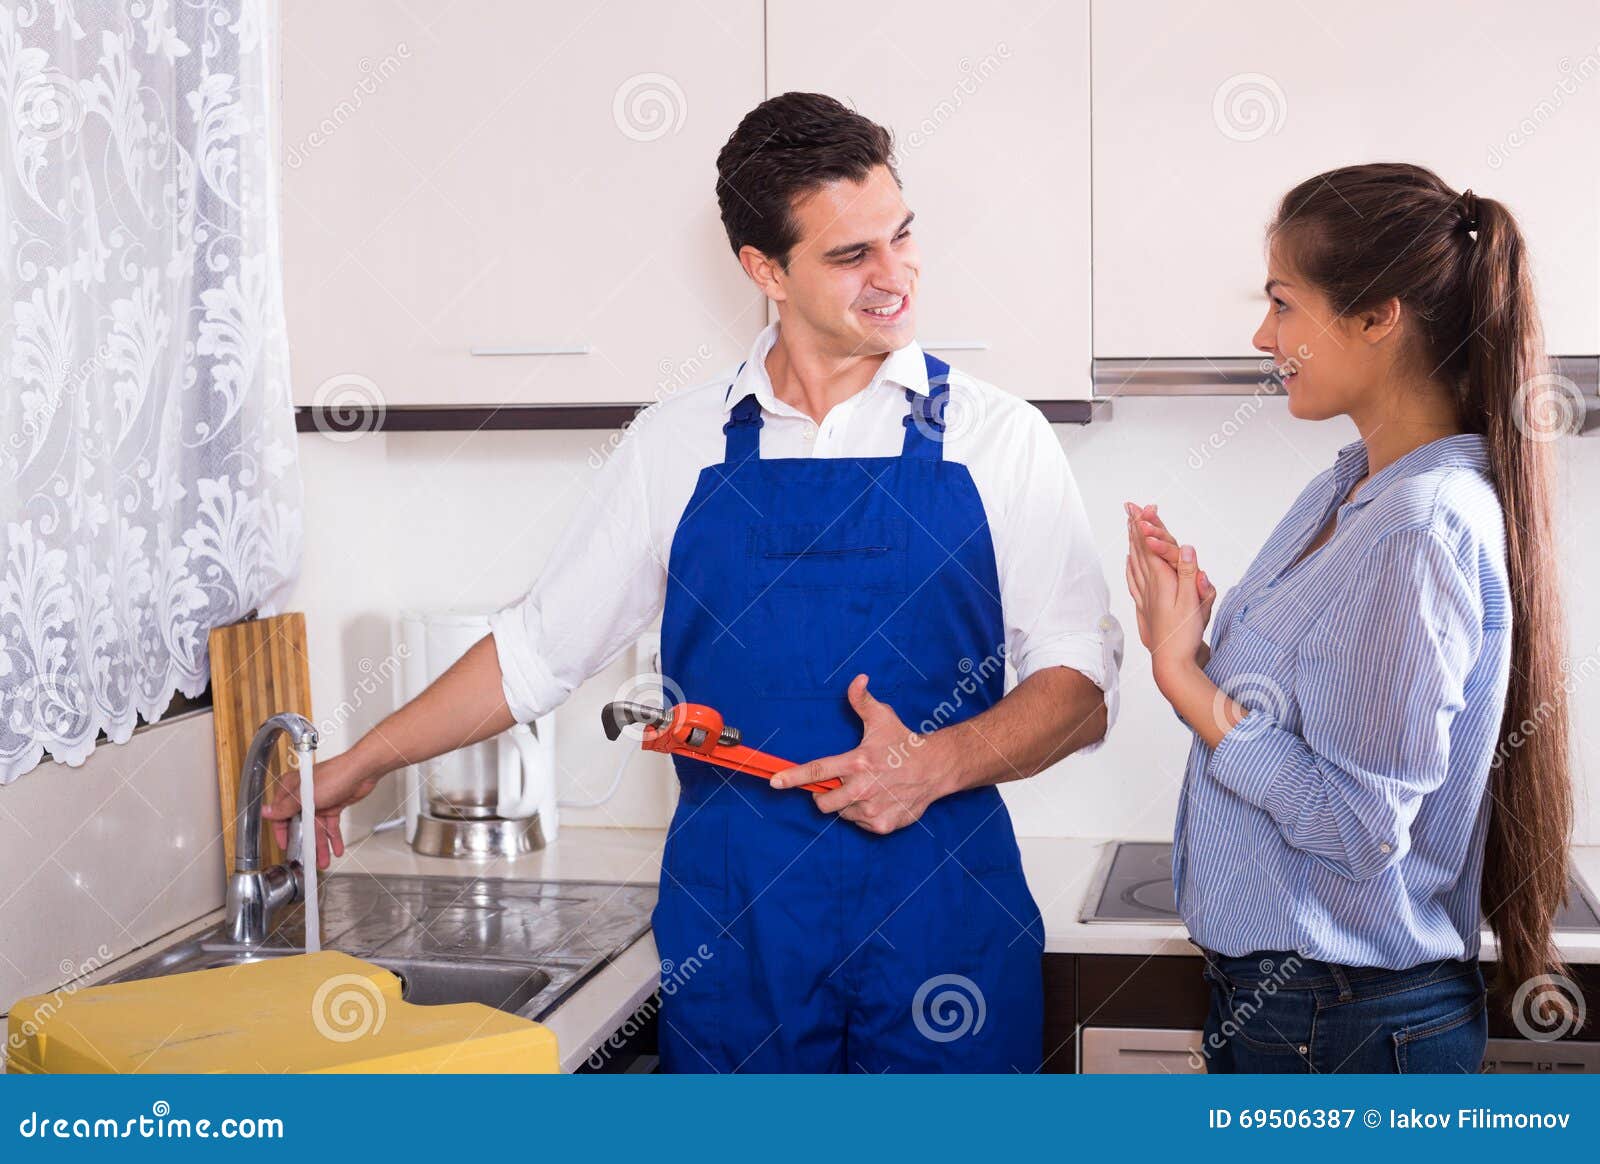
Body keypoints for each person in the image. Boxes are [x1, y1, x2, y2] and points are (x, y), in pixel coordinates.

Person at [268, 92, 1121, 1073]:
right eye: (851, 256)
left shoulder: (996, 436)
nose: (896, 276)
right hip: (739, 922)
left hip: (941, 913)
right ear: (765, 270)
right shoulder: (674, 444)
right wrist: (362, 761)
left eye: (902, 235)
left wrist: (940, 762)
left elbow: (1080, 692)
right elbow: (539, 649)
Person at [1124, 163, 1573, 1073]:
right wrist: (1195, 646)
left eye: (1283, 304)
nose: (1263, 333)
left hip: (1343, 1024)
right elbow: (1302, 734)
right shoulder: (1351, 487)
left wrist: (1182, 682)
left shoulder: (1416, 526)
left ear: (1377, 317)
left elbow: (1355, 828)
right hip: (1306, 1012)